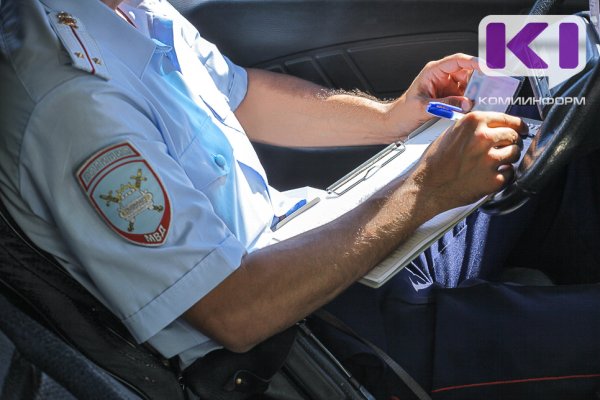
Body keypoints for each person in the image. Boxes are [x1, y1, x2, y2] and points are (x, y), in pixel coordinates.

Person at [1, 0, 599, 398]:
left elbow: (241, 94)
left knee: (544, 154)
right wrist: (425, 189)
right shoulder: (72, 101)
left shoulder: (131, 11)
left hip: (325, 242)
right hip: (306, 341)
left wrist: (393, 117)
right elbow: (235, 315)